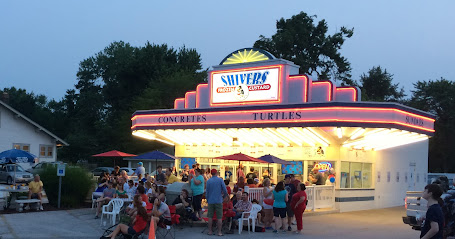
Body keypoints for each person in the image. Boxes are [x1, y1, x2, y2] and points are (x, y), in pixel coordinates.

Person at [206, 169, 228, 236]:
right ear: (216, 173)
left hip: (211, 200)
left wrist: (207, 199)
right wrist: (224, 196)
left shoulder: (208, 181)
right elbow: (225, 190)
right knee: (219, 217)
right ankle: (219, 232)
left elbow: (207, 192)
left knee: (210, 216)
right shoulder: (220, 180)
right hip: (218, 200)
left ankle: (210, 231)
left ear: (211, 173)